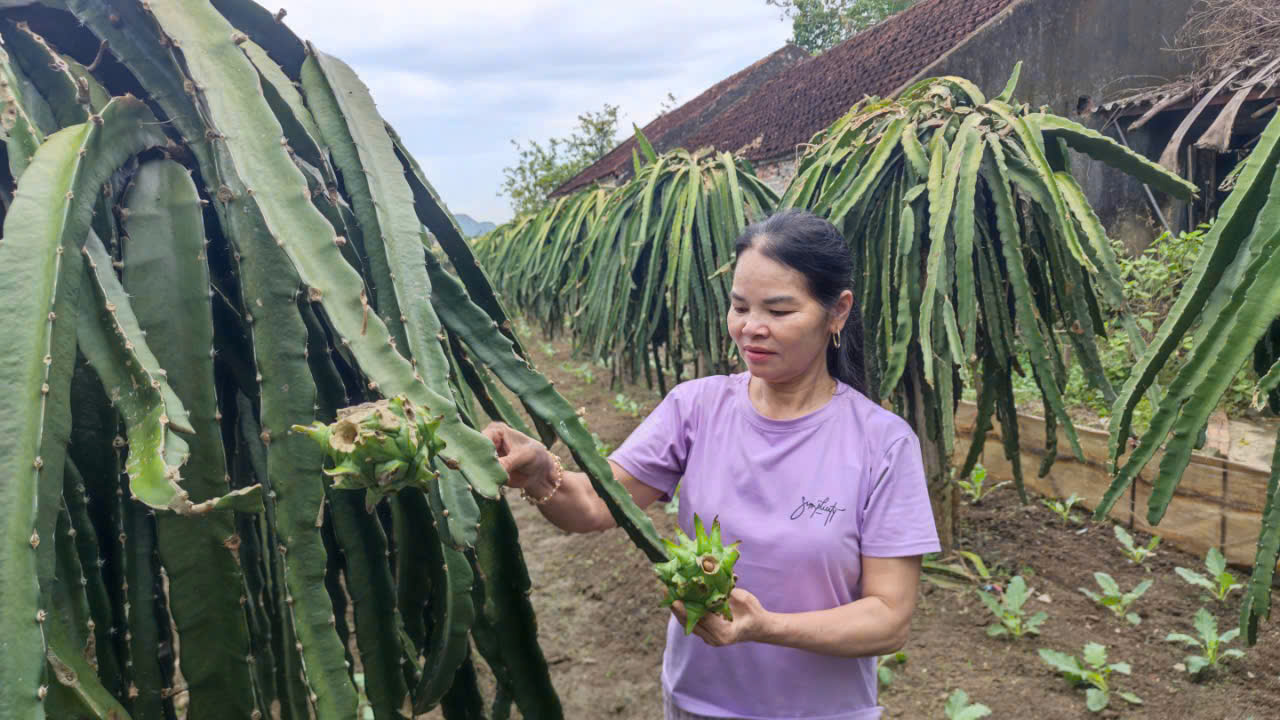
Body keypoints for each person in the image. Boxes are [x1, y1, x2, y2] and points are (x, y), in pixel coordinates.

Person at [483, 209, 940, 720]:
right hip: (695, 706)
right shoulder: (695, 407)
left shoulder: (882, 443)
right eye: (739, 306)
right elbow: (593, 505)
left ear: (837, 312)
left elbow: (888, 619)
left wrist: (765, 626)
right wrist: (543, 470)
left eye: (780, 311)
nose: (752, 329)